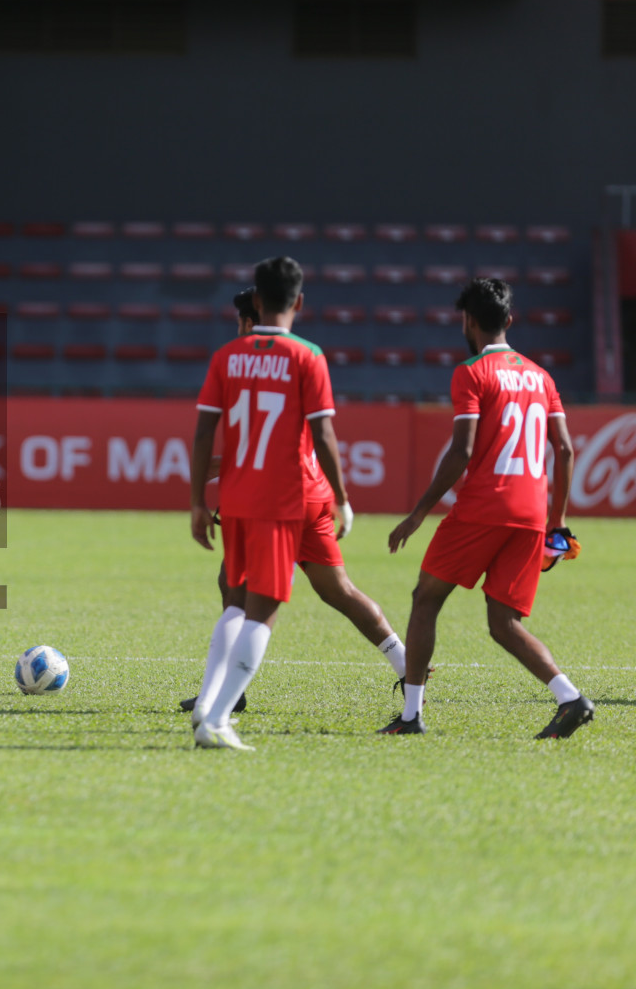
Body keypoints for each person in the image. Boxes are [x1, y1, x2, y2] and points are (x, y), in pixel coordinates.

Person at [180, 288, 409, 720]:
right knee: (337, 590)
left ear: (250, 321)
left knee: (240, 595)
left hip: (276, 498)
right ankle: (406, 663)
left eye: (239, 322)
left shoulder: (237, 361)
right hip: (313, 492)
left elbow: (253, 438)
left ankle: (222, 699)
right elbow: (299, 434)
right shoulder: (303, 359)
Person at [382, 278, 592, 739]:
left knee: (426, 599)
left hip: (484, 507)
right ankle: (571, 698)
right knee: (503, 623)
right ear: (510, 321)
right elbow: (566, 450)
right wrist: (556, 521)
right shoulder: (542, 376)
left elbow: (462, 450)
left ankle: (412, 716)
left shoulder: (472, 372)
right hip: (532, 513)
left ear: (468, 321)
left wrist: (418, 512)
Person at [188, 257, 352, 750]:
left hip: (235, 499)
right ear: (299, 302)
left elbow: (202, 433)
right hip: (279, 502)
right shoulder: (308, 356)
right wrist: (342, 498)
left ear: (256, 300)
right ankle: (216, 721)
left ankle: (205, 705)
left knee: (236, 602)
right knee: (265, 610)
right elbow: (322, 433)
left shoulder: (227, 356)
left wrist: (197, 501)